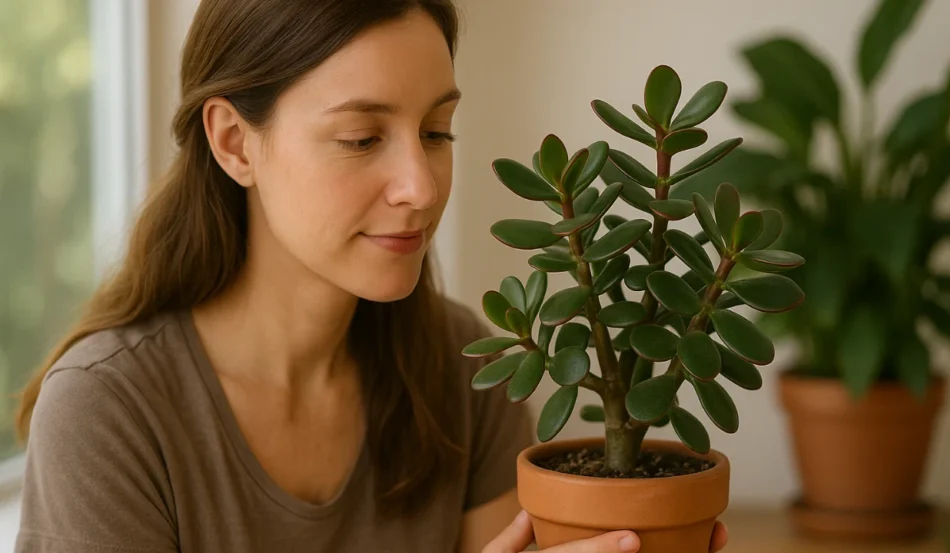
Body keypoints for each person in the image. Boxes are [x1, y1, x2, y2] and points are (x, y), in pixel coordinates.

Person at [12, 1, 728, 552]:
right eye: (361, 138)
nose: (420, 184)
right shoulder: (105, 416)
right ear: (234, 143)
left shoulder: (463, 368)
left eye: (437, 131)